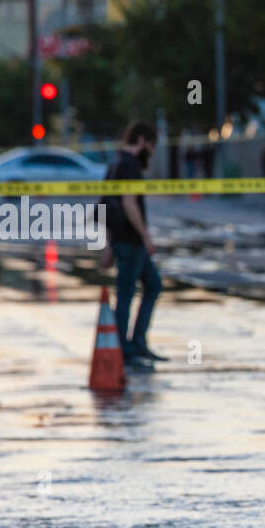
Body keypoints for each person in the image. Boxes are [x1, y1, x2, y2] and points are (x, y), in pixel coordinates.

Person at [101, 122, 166, 367]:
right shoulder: (130, 165)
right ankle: (125, 347)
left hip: (122, 241)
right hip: (131, 241)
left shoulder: (115, 163)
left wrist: (109, 245)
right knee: (127, 294)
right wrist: (146, 237)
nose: (151, 149)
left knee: (152, 286)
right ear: (141, 140)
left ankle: (136, 343)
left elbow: (106, 205)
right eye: (151, 144)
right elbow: (128, 204)